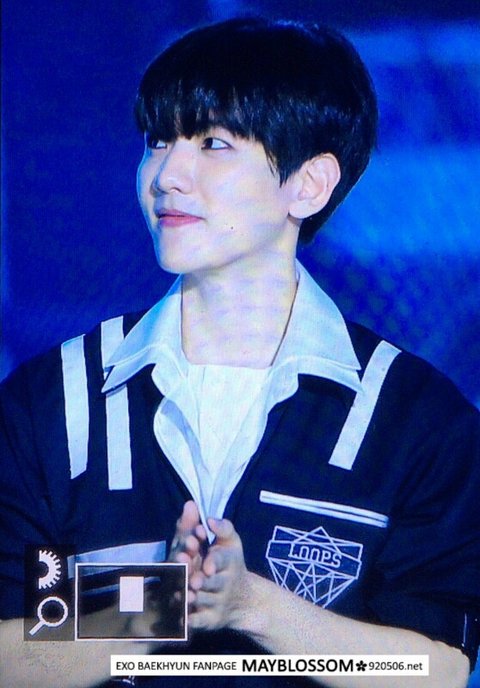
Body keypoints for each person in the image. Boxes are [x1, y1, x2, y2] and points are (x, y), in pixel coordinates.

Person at [1, 16, 479, 688]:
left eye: (214, 144)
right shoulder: (50, 403)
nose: (167, 175)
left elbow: (437, 668)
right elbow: (9, 658)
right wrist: (158, 599)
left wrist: (252, 603)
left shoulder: (418, 419)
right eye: (157, 141)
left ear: (308, 184)